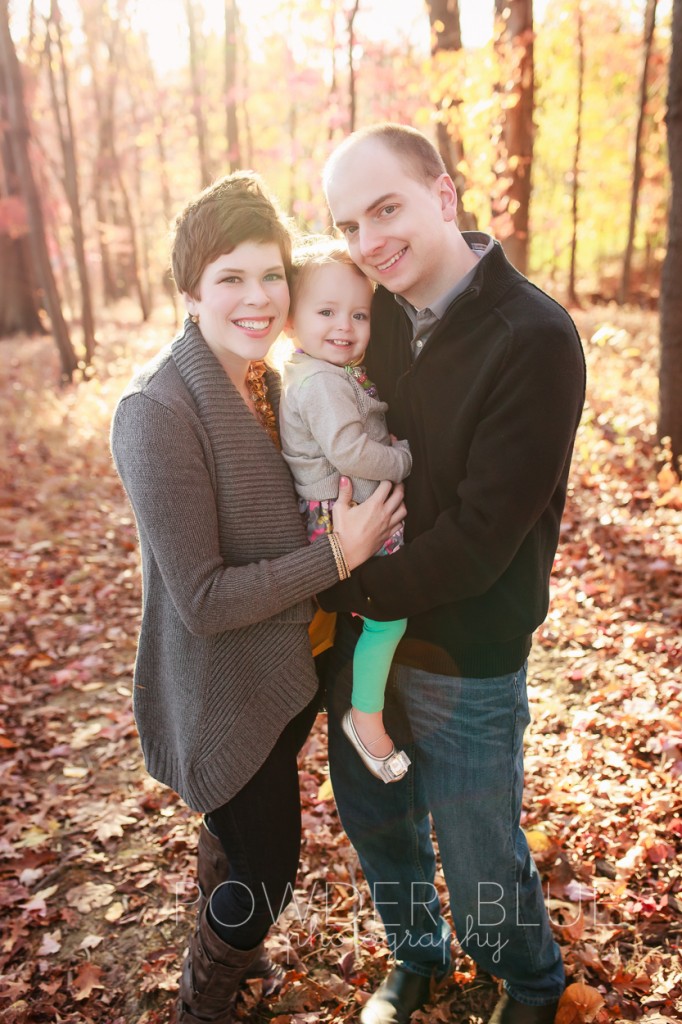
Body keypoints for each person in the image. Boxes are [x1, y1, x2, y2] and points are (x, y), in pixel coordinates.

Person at [109, 171, 405, 1024]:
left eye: (271, 274)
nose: (257, 297)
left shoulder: (271, 378)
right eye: (230, 278)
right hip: (221, 682)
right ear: (190, 289)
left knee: (242, 843)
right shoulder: (155, 410)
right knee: (273, 865)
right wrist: (338, 556)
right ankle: (205, 996)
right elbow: (199, 599)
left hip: (291, 660)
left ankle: (229, 930)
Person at [317, 124, 587, 1024]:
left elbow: (482, 536)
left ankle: (531, 980)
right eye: (350, 224)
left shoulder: (534, 335)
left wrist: (345, 582)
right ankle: (415, 956)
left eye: (386, 209)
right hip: (364, 649)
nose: (369, 243)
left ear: (444, 193)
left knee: (479, 865)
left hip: (464, 652)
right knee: (381, 831)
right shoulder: (369, 318)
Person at [279, 238, 412, 783]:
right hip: (342, 515)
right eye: (327, 312)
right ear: (291, 321)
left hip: (346, 508)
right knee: (388, 618)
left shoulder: (321, 370)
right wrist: (403, 460)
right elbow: (350, 452)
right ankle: (367, 717)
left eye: (359, 314)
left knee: (377, 618)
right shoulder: (322, 382)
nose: (345, 326)